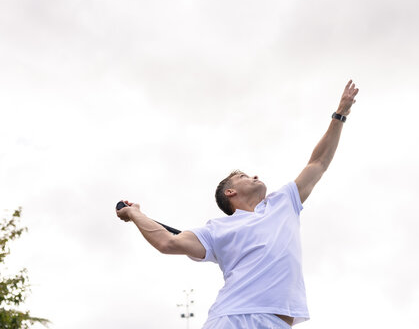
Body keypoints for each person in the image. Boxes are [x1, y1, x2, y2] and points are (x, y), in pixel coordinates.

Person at [117, 79, 359, 328]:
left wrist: (339, 114)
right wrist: (135, 213)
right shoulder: (216, 230)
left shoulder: (283, 203)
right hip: (232, 319)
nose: (254, 176)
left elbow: (317, 163)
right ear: (230, 192)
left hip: (275, 322)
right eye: (243, 176)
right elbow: (167, 242)